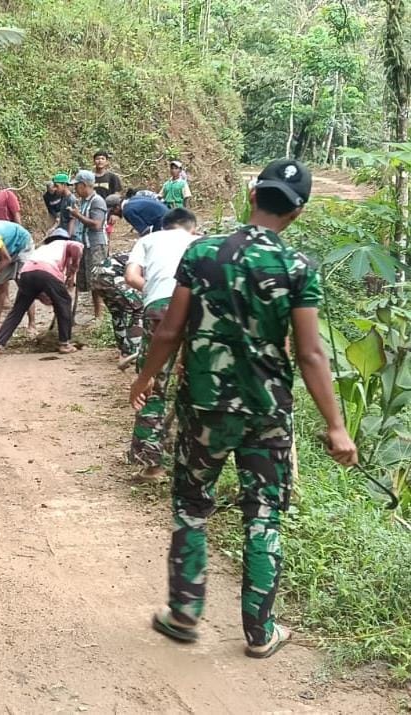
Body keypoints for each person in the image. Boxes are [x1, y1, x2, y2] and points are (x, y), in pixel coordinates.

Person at [131, 159, 357, 658]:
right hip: (268, 413)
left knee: (191, 508)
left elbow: (170, 329)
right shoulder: (298, 269)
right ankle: (260, 632)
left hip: (205, 409)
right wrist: (337, 427)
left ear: (253, 194)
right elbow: (310, 353)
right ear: (297, 211)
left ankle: (184, 615)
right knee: (263, 517)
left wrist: (145, 379)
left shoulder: (202, 252)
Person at [123, 208, 199, 480]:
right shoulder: (199, 242)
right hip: (199, 310)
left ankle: (152, 465)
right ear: (192, 228)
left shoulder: (148, 240)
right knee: (195, 386)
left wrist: (156, 289)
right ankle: (193, 464)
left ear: (163, 226)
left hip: (159, 310)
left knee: (151, 384)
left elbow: (131, 277)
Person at [0, 231, 82, 359]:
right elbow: (78, 247)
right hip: (46, 272)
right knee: (65, 302)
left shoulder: (43, 249)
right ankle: (65, 344)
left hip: (26, 273)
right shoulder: (65, 243)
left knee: (17, 311)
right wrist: (75, 268)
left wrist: (49, 298)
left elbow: (40, 284)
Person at [69, 170, 109, 321]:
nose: (75, 189)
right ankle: (74, 314)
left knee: (96, 280)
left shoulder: (97, 201)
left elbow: (97, 225)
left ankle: (99, 316)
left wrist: (77, 215)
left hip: (96, 245)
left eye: (77, 185)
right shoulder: (84, 202)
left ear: (84, 185)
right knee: (84, 279)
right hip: (85, 244)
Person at [91, 252, 144, 359]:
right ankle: (133, 351)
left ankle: (123, 350)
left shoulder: (136, 253)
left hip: (96, 275)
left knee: (117, 312)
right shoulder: (146, 258)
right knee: (139, 309)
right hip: (112, 276)